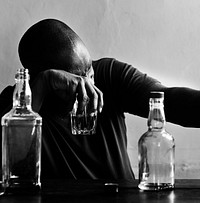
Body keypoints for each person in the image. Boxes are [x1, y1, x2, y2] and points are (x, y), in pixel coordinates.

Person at [0, 18, 200, 180]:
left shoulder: (111, 75)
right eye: (74, 80)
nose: (89, 87)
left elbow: (170, 101)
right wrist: (43, 85)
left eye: (90, 73)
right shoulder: (13, 108)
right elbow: (11, 164)